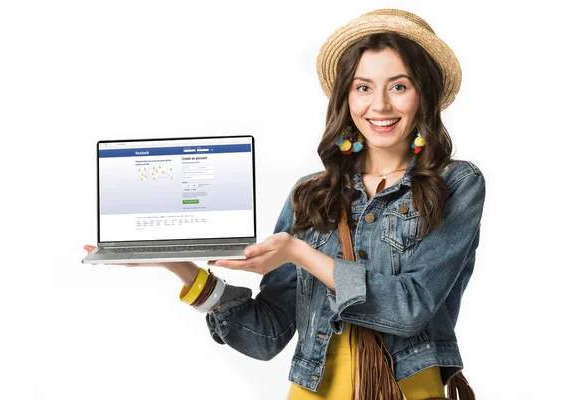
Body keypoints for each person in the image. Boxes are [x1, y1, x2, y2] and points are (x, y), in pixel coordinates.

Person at [85, 9, 485, 400]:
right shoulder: (312, 194)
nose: (379, 105)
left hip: (405, 390)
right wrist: (178, 264)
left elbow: (409, 308)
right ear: (346, 97)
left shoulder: (455, 184)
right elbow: (267, 335)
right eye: (363, 87)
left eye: (399, 86)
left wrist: (299, 252)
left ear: (424, 95)